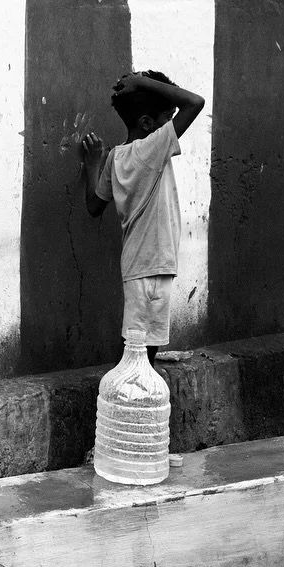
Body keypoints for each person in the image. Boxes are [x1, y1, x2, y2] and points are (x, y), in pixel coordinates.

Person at [79, 70, 205, 364]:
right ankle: (135, 394)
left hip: (138, 263)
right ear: (147, 124)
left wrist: (92, 165)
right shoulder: (152, 148)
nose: (170, 125)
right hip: (153, 262)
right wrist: (142, 83)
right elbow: (195, 103)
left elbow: (94, 206)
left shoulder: (116, 157)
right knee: (139, 353)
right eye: (166, 118)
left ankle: (140, 375)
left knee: (140, 339)